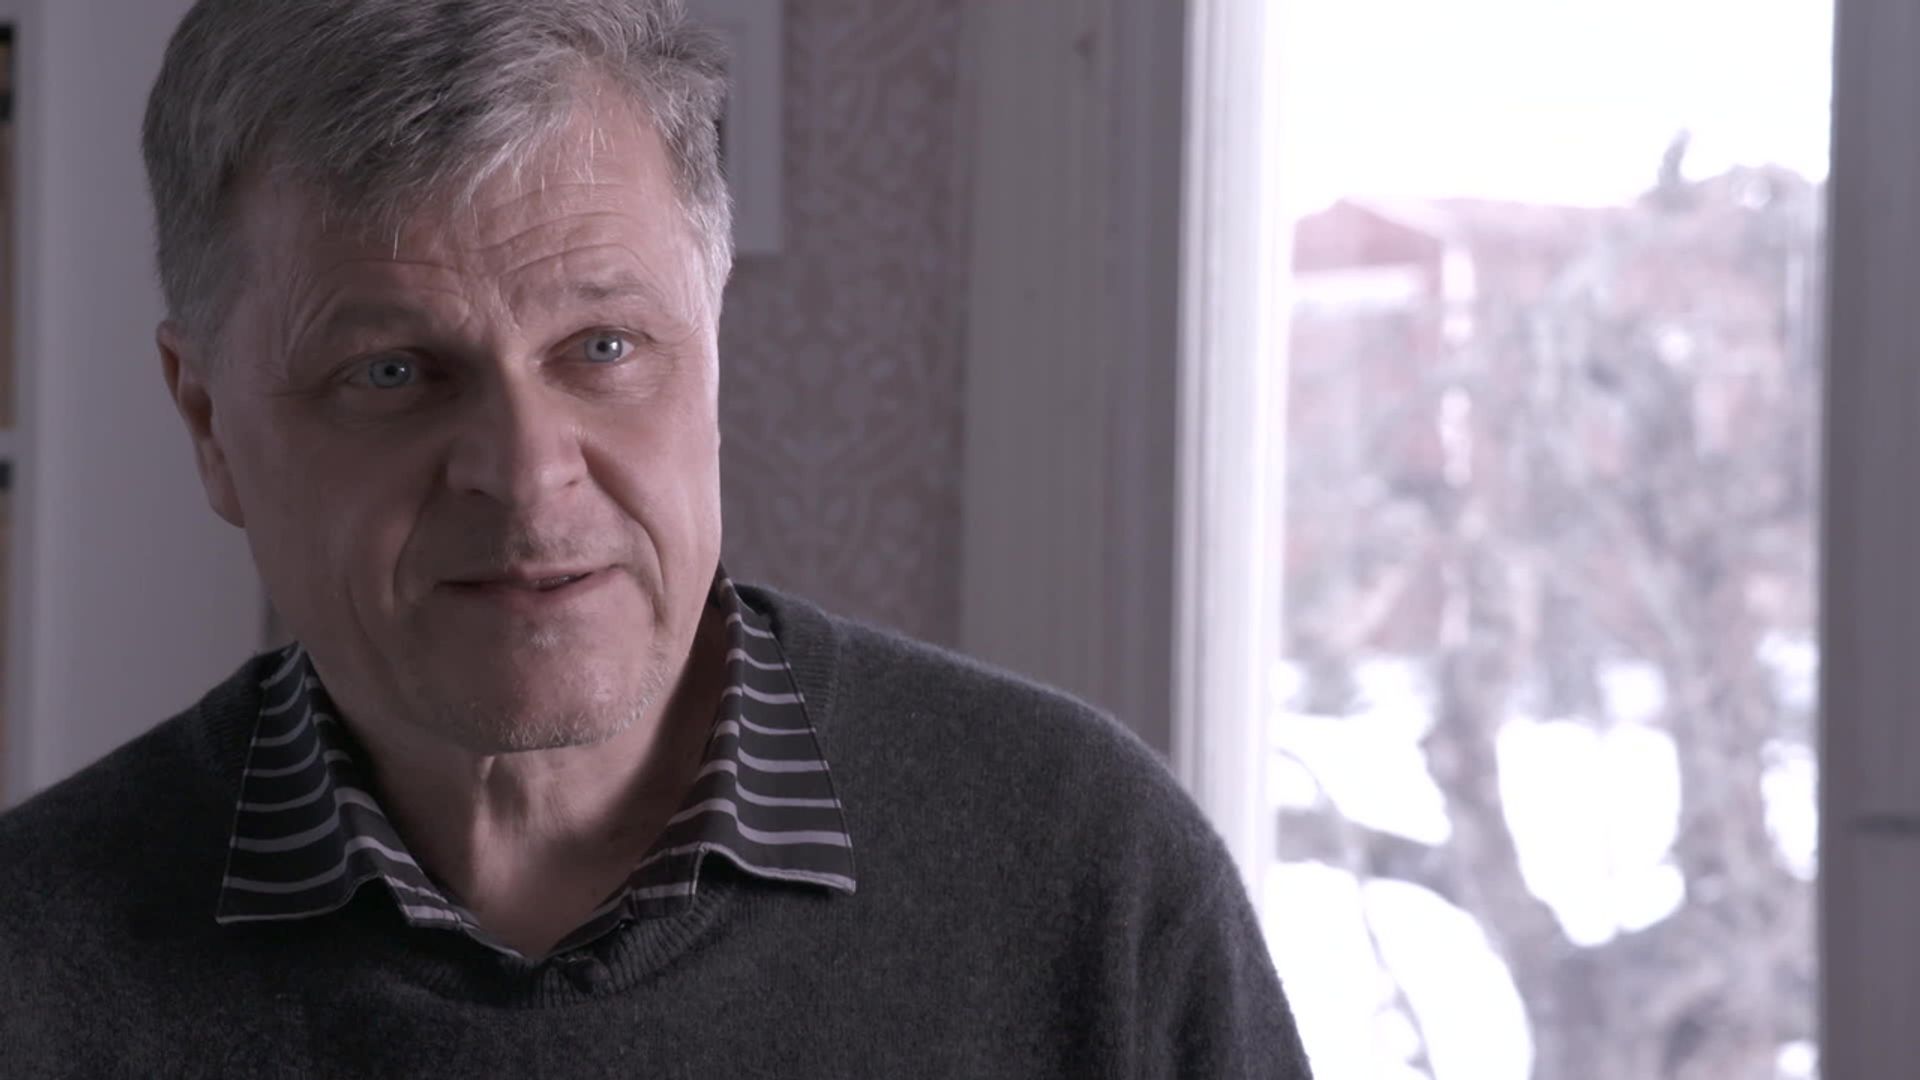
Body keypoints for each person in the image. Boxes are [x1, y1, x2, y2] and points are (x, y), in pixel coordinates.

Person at [0, 1, 1312, 1075]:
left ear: (712, 347)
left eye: (605, 348)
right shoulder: (33, 964)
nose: (527, 477)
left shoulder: (1086, 876)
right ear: (208, 422)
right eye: (393, 372)